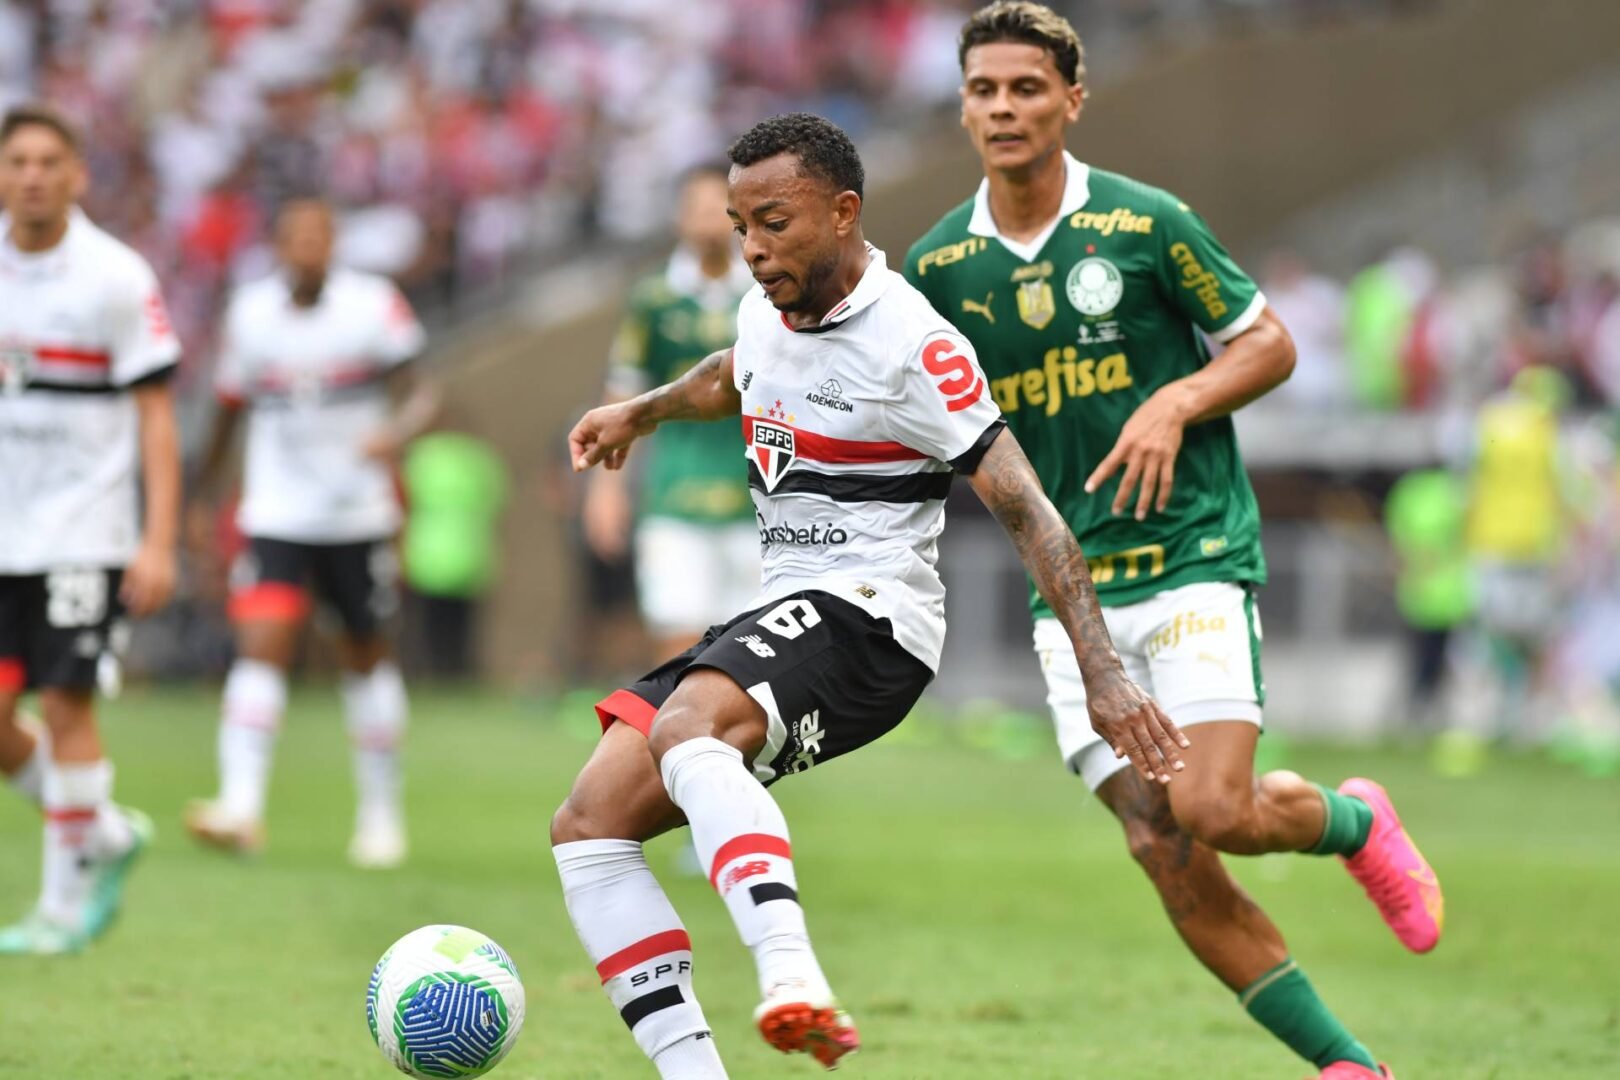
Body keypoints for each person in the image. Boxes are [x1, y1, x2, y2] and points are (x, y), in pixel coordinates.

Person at [554, 112, 1186, 1077]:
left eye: (776, 223)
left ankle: (792, 977)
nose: (755, 251)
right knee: (588, 823)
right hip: (785, 610)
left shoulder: (914, 346)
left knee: (689, 728)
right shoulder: (766, 305)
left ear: (844, 213)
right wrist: (638, 413)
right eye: (741, 227)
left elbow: (1031, 513)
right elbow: (734, 374)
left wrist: (1103, 673)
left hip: (876, 621)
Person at [902, 6, 1444, 1078]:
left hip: (1192, 554)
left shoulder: (1147, 224)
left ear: (1071, 99)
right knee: (1162, 847)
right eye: (984, 91)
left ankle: (1350, 821)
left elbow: (1268, 342)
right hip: (1073, 597)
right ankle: (1348, 1066)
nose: (1003, 108)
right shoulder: (940, 266)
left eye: (1025, 88)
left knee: (1213, 809)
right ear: (963, 105)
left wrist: (1177, 401)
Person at [184, 198, 438, 869]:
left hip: (358, 514)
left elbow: (421, 392)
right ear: (277, 245)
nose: (308, 248)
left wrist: (398, 431)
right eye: (295, 237)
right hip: (277, 514)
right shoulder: (250, 314)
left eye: (319, 237)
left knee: (364, 655)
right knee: (261, 645)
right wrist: (199, 497)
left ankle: (381, 815)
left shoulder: (373, 306)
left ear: (334, 244)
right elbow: (227, 411)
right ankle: (240, 805)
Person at [0, 104, 182, 954]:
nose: (32, 175)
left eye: (48, 161)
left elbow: (156, 418)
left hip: (83, 530)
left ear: (76, 175)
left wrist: (157, 540)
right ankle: (103, 831)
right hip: (4, 532)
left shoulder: (114, 275)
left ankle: (62, 908)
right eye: (18, 161)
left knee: (65, 701)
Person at [582, 164, 760, 665]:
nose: (707, 217)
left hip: (760, 499)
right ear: (678, 218)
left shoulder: (767, 293)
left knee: (752, 648)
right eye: (696, 206)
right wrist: (606, 490)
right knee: (677, 644)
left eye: (717, 207)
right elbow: (623, 396)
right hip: (673, 497)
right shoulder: (653, 299)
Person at [400, 424, 509, 680]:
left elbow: (401, 500)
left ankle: (425, 674)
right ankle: (456, 672)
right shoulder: (478, 457)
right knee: (461, 624)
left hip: (424, 555)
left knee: (425, 623)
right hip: (469, 553)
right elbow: (497, 499)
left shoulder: (418, 457)